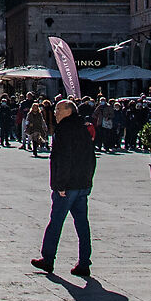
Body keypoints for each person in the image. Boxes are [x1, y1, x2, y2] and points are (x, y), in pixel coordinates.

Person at [31, 99, 96, 277]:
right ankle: (84, 263)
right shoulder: (83, 127)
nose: (55, 113)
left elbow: (64, 158)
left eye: (59, 110)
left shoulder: (64, 129)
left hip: (67, 186)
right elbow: (91, 157)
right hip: (82, 184)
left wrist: (60, 184)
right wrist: (88, 180)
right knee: (82, 224)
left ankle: (48, 259)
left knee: (56, 222)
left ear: (68, 111)